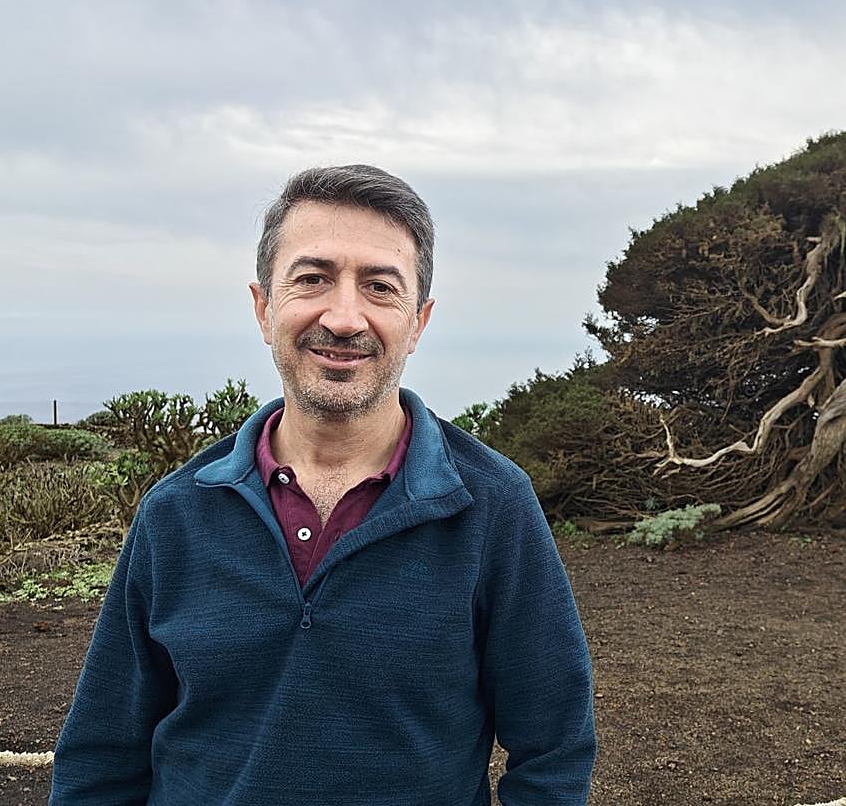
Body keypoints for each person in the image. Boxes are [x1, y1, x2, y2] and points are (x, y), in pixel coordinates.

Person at [49, 165, 596, 805]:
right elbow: (101, 754)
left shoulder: (493, 506)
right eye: (312, 280)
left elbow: (553, 750)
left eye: (379, 287)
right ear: (263, 307)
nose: (343, 317)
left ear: (418, 322)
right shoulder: (176, 513)